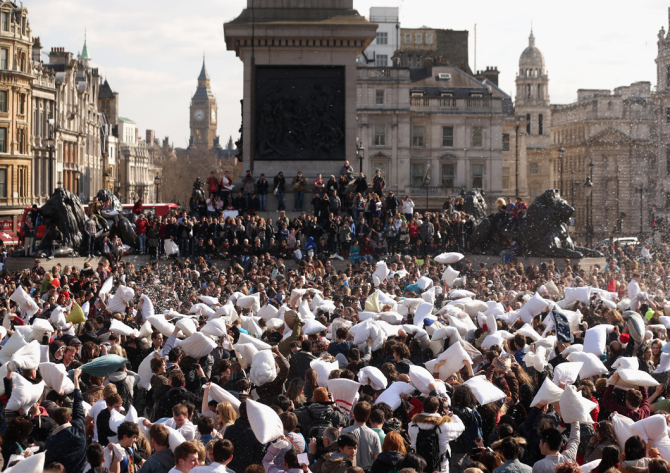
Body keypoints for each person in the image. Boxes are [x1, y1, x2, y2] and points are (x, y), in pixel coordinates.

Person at [44, 369, 87, 473]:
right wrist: (76, 378)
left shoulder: (51, 441)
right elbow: (78, 403)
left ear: (56, 422)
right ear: (70, 419)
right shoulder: (79, 429)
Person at [408, 395, 465, 473]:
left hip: (420, 466)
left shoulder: (412, 425)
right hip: (441, 467)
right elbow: (461, 427)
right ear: (437, 409)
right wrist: (449, 412)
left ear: (423, 408)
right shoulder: (444, 426)